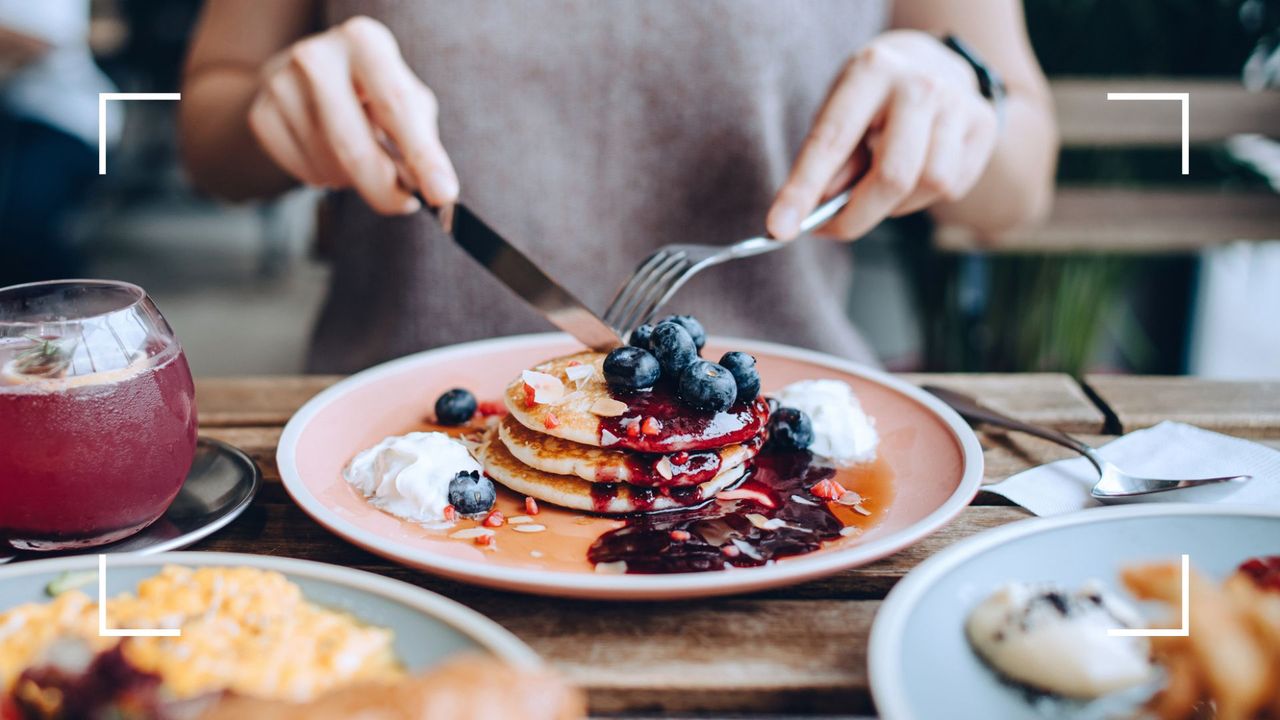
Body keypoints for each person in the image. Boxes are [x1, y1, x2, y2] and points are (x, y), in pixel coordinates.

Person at [180, 0, 1057, 373]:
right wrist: (277, 107)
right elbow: (209, 139)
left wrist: (962, 94)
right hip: (386, 457)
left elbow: (1021, 188)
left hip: (785, 482)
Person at [0, 0, 121, 288]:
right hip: (21, 119)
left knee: (23, 221)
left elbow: (43, 38)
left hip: (69, 121)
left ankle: (64, 310)